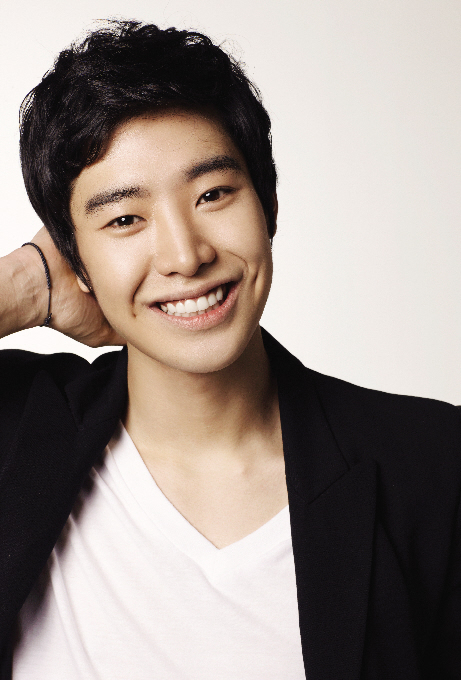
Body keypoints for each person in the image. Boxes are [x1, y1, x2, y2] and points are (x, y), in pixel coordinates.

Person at [0, 20, 459, 680]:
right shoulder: (18, 430)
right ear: (77, 259)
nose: (185, 255)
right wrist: (25, 285)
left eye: (213, 194)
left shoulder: (431, 465)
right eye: (125, 219)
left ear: (267, 202)